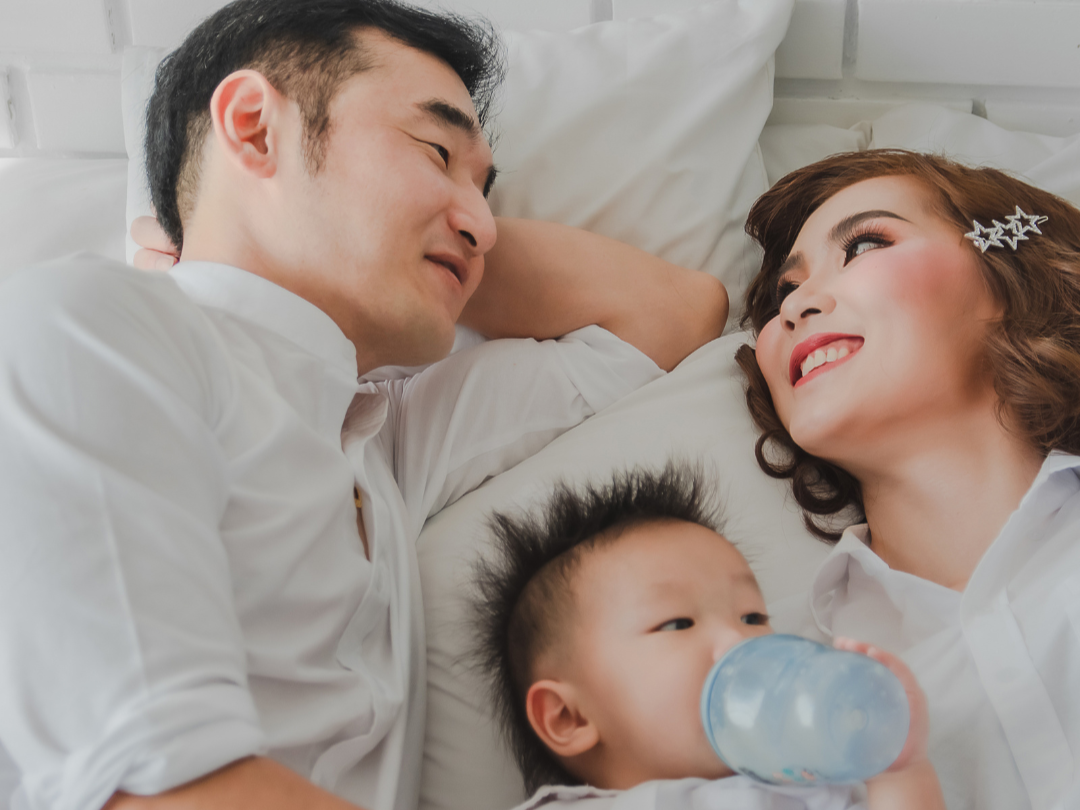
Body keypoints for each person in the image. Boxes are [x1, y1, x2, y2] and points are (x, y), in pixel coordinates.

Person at [0, 1, 729, 809]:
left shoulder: (382, 436)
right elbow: (157, 792)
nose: (485, 223)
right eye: (436, 146)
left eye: (485, 189)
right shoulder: (93, 326)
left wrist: (438, 233)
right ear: (252, 126)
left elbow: (674, 314)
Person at [733, 148, 1080, 810]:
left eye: (863, 245)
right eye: (783, 291)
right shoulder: (804, 708)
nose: (798, 304)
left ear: (1006, 278)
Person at [472, 464, 945, 810]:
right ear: (568, 716)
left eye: (753, 617)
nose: (740, 642)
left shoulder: (820, 785)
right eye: (677, 623)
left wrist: (897, 769)